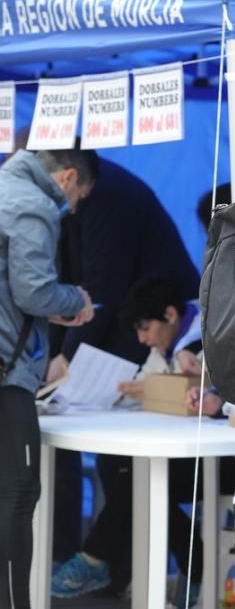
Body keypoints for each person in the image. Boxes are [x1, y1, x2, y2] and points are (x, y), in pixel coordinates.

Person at [43, 148, 200, 569]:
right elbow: (68, 281)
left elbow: (99, 287)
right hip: (128, 321)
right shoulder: (86, 194)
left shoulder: (109, 200)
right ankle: (108, 566)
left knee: (128, 471)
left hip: (143, 319)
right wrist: (59, 352)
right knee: (123, 470)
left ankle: (100, 562)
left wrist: (66, 356)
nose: (71, 207)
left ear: (70, 178)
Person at [50, 277, 235, 606]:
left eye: (145, 328)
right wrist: (136, 389)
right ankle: (189, 566)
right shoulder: (165, 349)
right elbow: (145, 384)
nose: (142, 339)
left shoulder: (208, 337)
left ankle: (99, 559)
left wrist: (156, 387)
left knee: (139, 477)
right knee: (123, 469)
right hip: (191, 457)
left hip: (229, 459)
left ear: (170, 315)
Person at [0, 147, 96, 608]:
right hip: (6, 375)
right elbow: (34, 291)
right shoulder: (33, 205)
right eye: (79, 197)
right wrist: (75, 301)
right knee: (17, 495)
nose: (74, 209)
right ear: (67, 178)